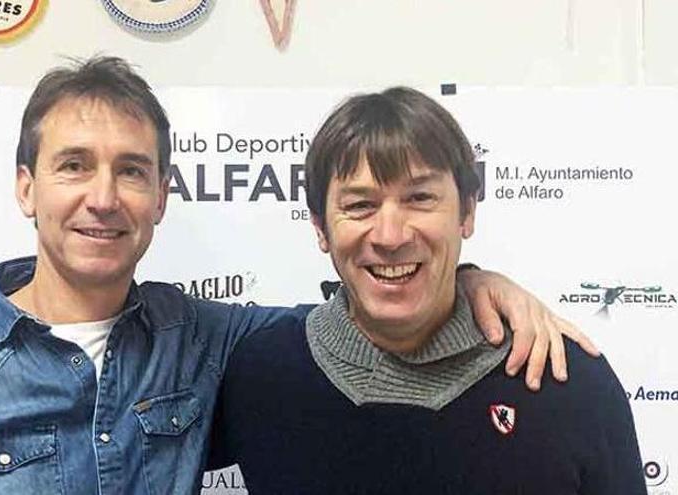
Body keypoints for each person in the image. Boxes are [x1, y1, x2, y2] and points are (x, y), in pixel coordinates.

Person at [0, 58, 595, 494]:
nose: (102, 197)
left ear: (161, 195)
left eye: (131, 171)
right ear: (26, 186)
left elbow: (375, 299)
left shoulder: (212, 342)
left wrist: (477, 282)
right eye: (73, 166)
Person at [209, 87, 645, 494]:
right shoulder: (261, 373)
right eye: (360, 205)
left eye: (419, 198)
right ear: (321, 228)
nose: (391, 235)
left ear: (467, 212)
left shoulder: (567, 380)